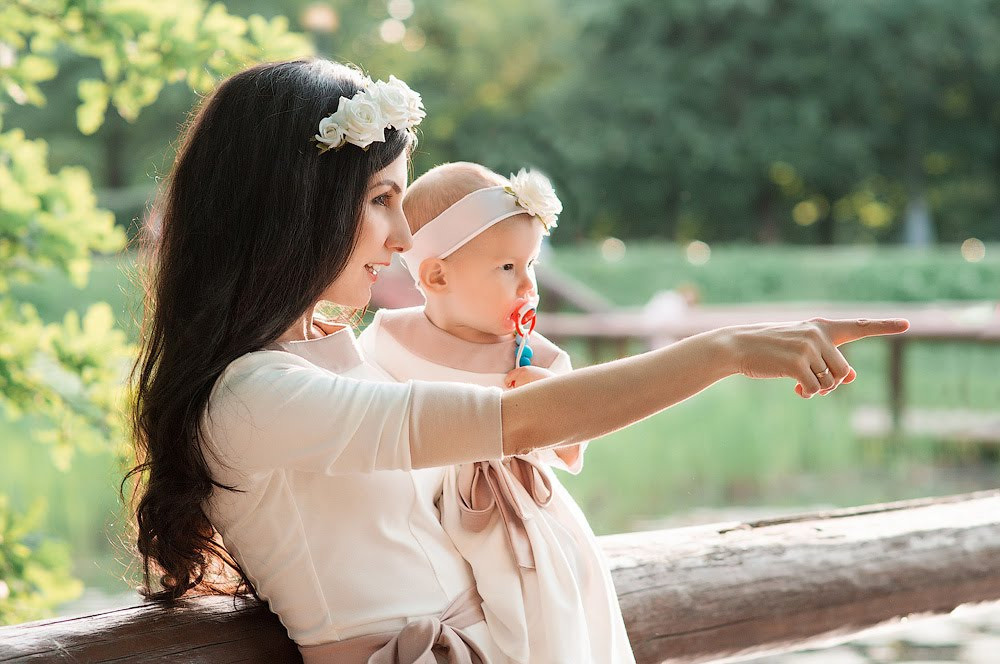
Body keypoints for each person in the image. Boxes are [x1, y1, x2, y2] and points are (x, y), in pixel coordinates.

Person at [125, 58, 910, 664]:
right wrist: (726, 350)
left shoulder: (320, 360)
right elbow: (513, 422)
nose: (403, 237)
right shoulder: (255, 394)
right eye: (380, 200)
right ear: (297, 205)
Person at [358, 161, 633, 663]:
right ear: (437, 275)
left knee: (545, 629)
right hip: (421, 517)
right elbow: (364, 413)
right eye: (508, 268)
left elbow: (572, 449)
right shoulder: (390, 337)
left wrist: (549, 399)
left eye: (531, 265)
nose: (528, 285)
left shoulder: (537, 358)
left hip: (520, 529)